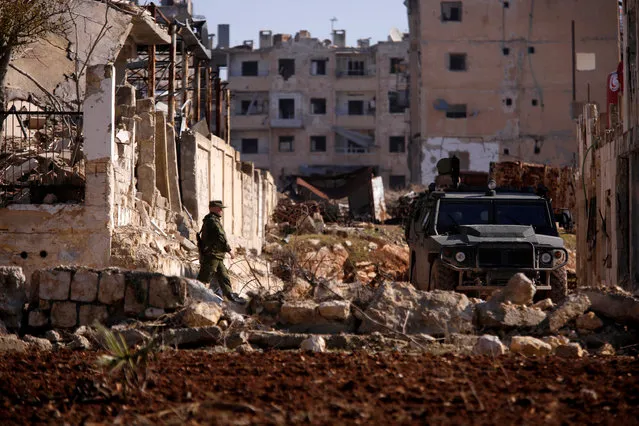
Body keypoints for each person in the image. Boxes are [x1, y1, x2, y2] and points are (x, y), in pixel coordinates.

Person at [197, 200, 246, 304]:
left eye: (221, 209)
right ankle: (194, 296)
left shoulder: (212, 220)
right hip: (212, 255)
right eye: (219, 208)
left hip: (217, 256)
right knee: (204, 278)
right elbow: (221, 236)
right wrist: (229, 250)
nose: (221, 211)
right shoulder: (212, 221)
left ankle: (230, 297)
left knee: (224, 277)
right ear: (212, 208)